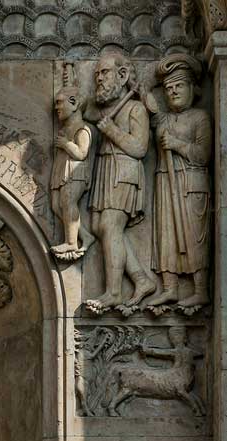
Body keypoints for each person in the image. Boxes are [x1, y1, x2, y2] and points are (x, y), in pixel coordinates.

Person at [88, 54, 156, 309]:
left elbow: (139, 148)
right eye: (97, 75)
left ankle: (114, 292)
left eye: (104, 72)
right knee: (98, 226)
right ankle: (140, 278)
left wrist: (112, 131)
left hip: (124, 171)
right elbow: (86, 108)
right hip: (107, 168)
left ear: (123, 76)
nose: (99, 79)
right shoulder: (107, 108)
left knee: (110, 225)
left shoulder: (135, 108)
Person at [147, 55, 211, 309]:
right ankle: (170, 288)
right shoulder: (165, 118)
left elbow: (203, 154)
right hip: (166, 182)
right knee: (167, 236)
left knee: (194, 237)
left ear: (192, 89)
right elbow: (152, 110)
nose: (172, 92)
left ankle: (200, 290)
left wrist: (177, 144)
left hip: (191, 183)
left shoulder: (200, 117)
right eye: (168, 88)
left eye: (178, 86)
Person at [50, 83, 94, 260]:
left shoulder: (82, 129)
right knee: (56, 204)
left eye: (60, 102)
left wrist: (66, 144)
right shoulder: (66, 128)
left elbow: (82, 153)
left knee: (68, 201)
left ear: (74, 103)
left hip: (75, 172)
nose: (56, 107)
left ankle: (71, 242)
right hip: (62, 169)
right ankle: (85, 236)